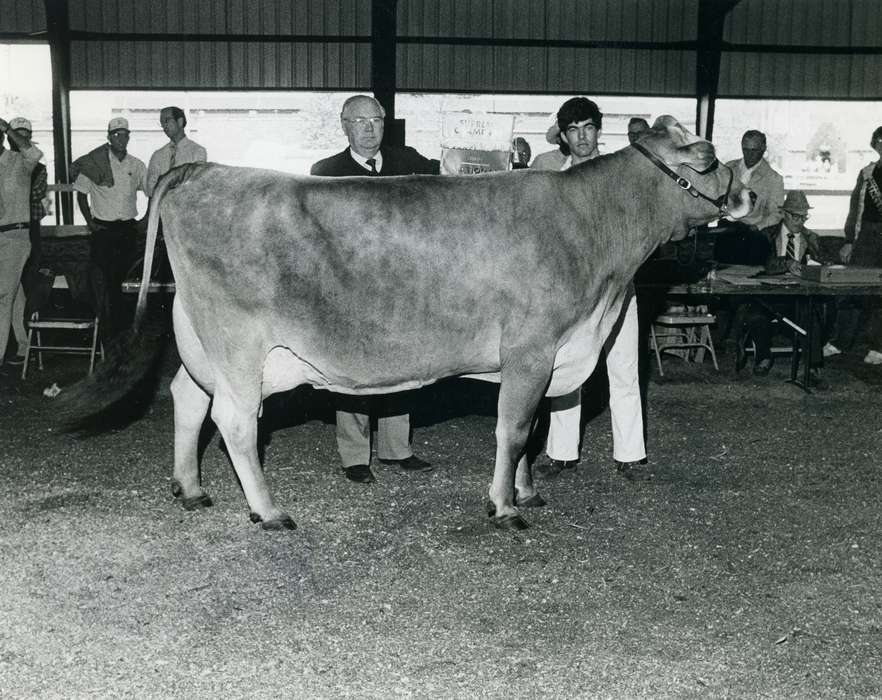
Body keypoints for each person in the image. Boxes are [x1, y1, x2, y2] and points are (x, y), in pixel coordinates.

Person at [310, 94, 437, 484]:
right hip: (350, 286)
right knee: (353, 368)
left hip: (402, 285)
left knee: (401, 363)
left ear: (386, 123)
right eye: (360, 121)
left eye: (376, 121)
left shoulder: (409, 162)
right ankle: (354, 456)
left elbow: (451, 177)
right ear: (345, 126)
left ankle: (398, 448)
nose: (369, 128)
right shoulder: (326, 171)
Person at [532, 97, 649, 481]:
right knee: (566, 370)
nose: (582, 137)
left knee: (625, 367)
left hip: (617, 287)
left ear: (599, 130)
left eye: (588, 127)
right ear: (564, 137)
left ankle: (630, 455)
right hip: (570, 293)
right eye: (573, 130)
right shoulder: (553, 178)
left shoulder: (623, 175)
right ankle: (562, 452)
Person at [737, 191, 831, 383]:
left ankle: (813, 367)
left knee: (811, 316)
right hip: (767, 296)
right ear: (784, 214)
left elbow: (824, 266)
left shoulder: (812, 238)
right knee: (755, 316)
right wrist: (786, 264)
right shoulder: (765, 235)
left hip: (798, 297)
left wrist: (813, 267)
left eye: (804, 217)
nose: (801, 221)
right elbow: (758, 263)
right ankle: (763, 357)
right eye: (796, 216)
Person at [72, 116, 147, 339]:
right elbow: (81, 195)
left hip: (127, 230)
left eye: (125, 135)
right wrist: (90, 222)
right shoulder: (95, 163)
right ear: (109, 137)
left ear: (129, 137)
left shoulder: (137, 164)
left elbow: (150, 191)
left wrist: (145, 219)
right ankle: (105, 328)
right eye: (116, 135)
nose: (121, 139)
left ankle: (126, 328)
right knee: (103, 280)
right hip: (103, 231)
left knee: (126, 279)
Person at [0, 116, 43, 370]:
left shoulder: (19, 162)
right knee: (13, 295)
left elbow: (34, 152)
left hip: (15, 236)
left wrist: (7, 127)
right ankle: (24, 345)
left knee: (3, 296)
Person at [841, 126, 882, 365]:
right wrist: (849, 241)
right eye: (879, 141)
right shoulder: (867, 173)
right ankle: (840, 341)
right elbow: (855, 207)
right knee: (852, 288)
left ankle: (878, 346)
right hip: (866, 234)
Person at [716, 130, 785, 265]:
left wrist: (758, 226)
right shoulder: (728, 168)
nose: (749, 155)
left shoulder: (774, 178)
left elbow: (776, 214)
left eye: (754, 150)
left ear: (763, 148)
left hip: (753, 238)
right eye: (745, 149)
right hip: (725, 232)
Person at [146, 106, 207, 197]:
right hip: (162, 210)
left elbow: (196, 187)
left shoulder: (197, 152)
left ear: (180, 122)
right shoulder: (157, 155)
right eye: (162, 123)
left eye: (167, 121)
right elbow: (150, 189)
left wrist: (163, 187)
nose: (164, 126)